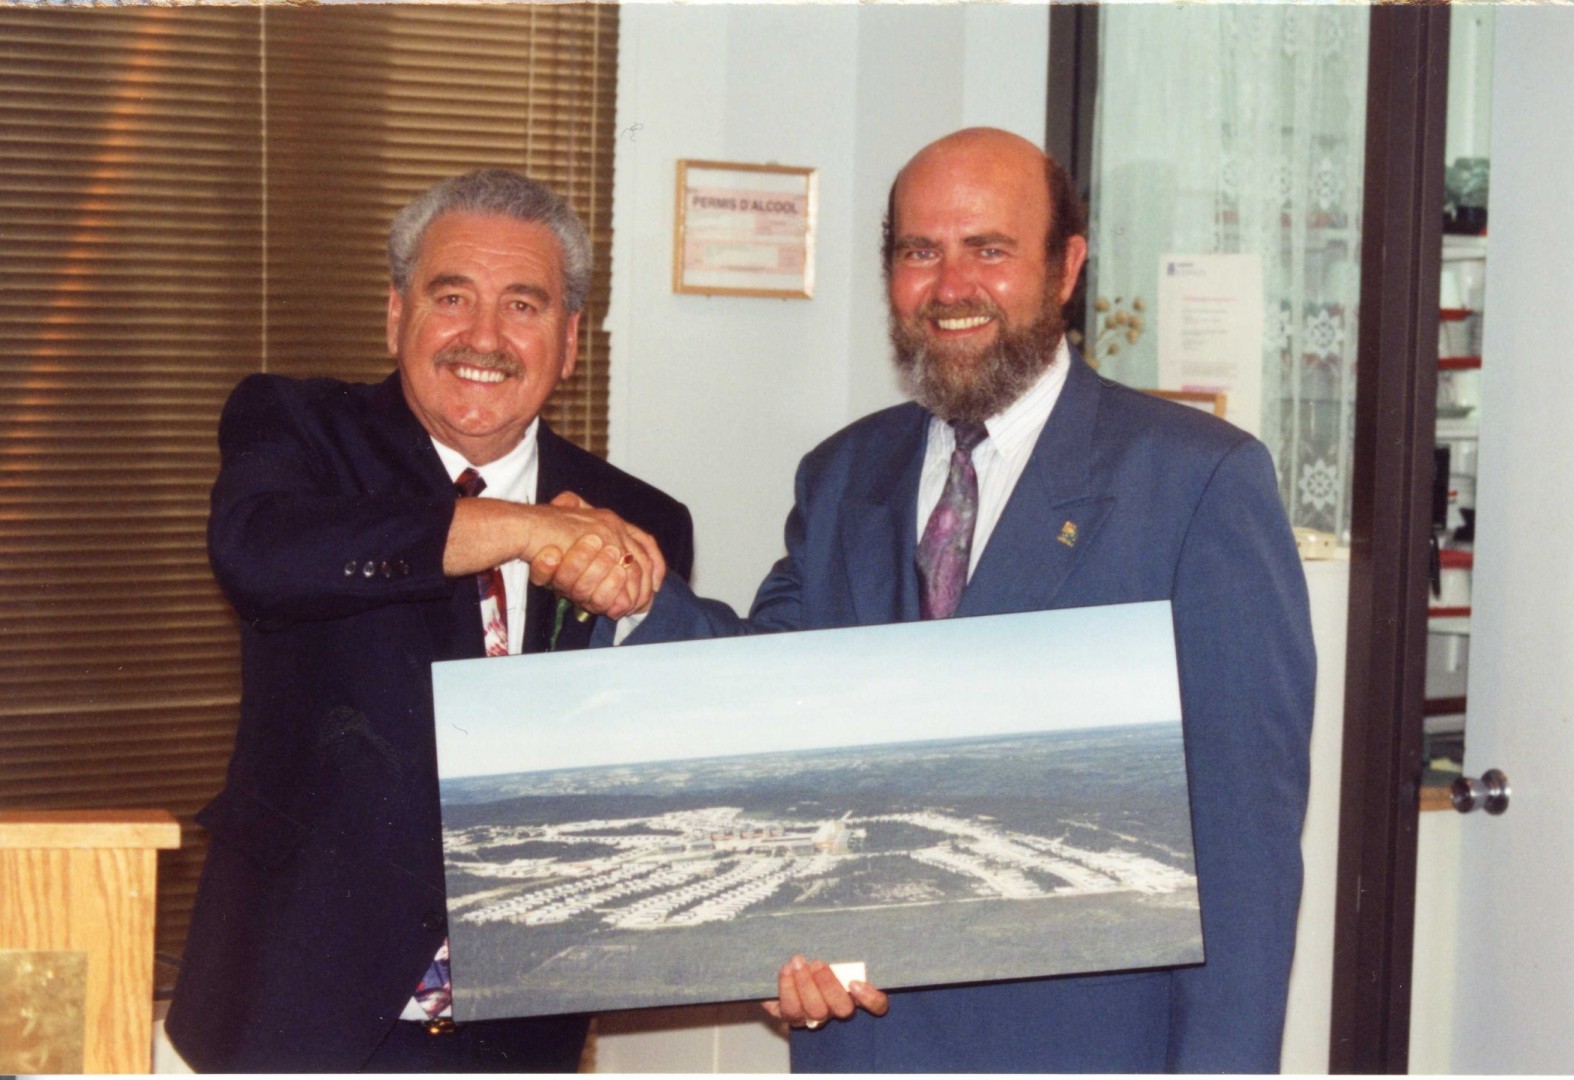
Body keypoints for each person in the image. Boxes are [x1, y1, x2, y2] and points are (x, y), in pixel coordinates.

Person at [547, 128, 1314, 1072]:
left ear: (1066, 268)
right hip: (862, 1044)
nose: (951, 287)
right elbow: (763, 694)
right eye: (920, 251)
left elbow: (1245, 857)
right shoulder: (843, 474)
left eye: (989, 249)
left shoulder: (1196, 482)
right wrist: (637, 597)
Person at [164, 169, 694, 1072]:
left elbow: (653, 772)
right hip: (291, 1017)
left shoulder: (640, 520)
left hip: (520, 1036)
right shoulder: (299, 430)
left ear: (569, 341)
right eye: (452, 297)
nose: (483, 337)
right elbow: (258, 551)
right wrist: (521, 528)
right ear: (395, 314)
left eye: (522, 305)